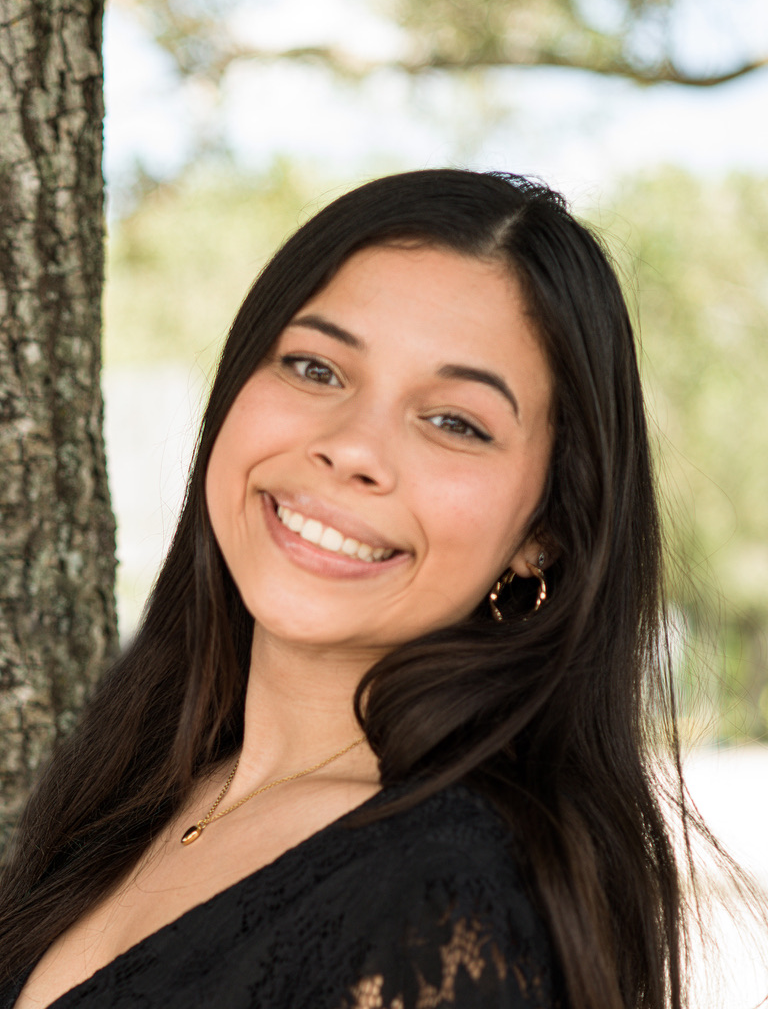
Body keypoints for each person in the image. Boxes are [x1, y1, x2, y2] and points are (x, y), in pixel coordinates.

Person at [0, 168, 694, 1009]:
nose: (353, 447)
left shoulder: (449, 902)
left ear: (542, 536)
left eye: (454, 422)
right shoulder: (138, 789)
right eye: (315, 368)